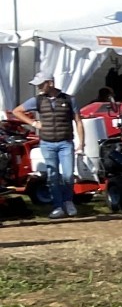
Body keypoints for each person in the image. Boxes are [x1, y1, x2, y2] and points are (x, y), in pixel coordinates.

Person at [9, 70, 79, 218]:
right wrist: (34, 123)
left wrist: (82, 141)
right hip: (47, 143)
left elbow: (78, 121)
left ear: (50, 83)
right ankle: (57, 206)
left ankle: (68, 201)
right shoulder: (38, 100)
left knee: (68, 175)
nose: (39, 87)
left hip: (66, 142)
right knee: (52, 176)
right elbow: (17, 111)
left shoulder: (69, 99)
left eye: (41, 84)